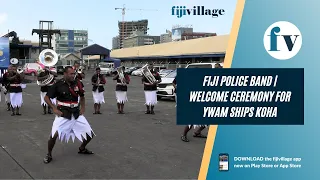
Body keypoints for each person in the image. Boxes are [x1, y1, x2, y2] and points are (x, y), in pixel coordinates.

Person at [43, 66, 95, 164]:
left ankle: (82, 148)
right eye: (71, 74)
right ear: (65, 74)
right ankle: (49, 154)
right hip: (63, 113)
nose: (73, 75)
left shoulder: (78, 83)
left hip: (76, 113)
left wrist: (83, 108)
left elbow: (82, 96)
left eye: (74, 73)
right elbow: (46, 98)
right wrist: (54, 108)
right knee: (54, 136)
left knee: (90, 134)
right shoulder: (58, 84)